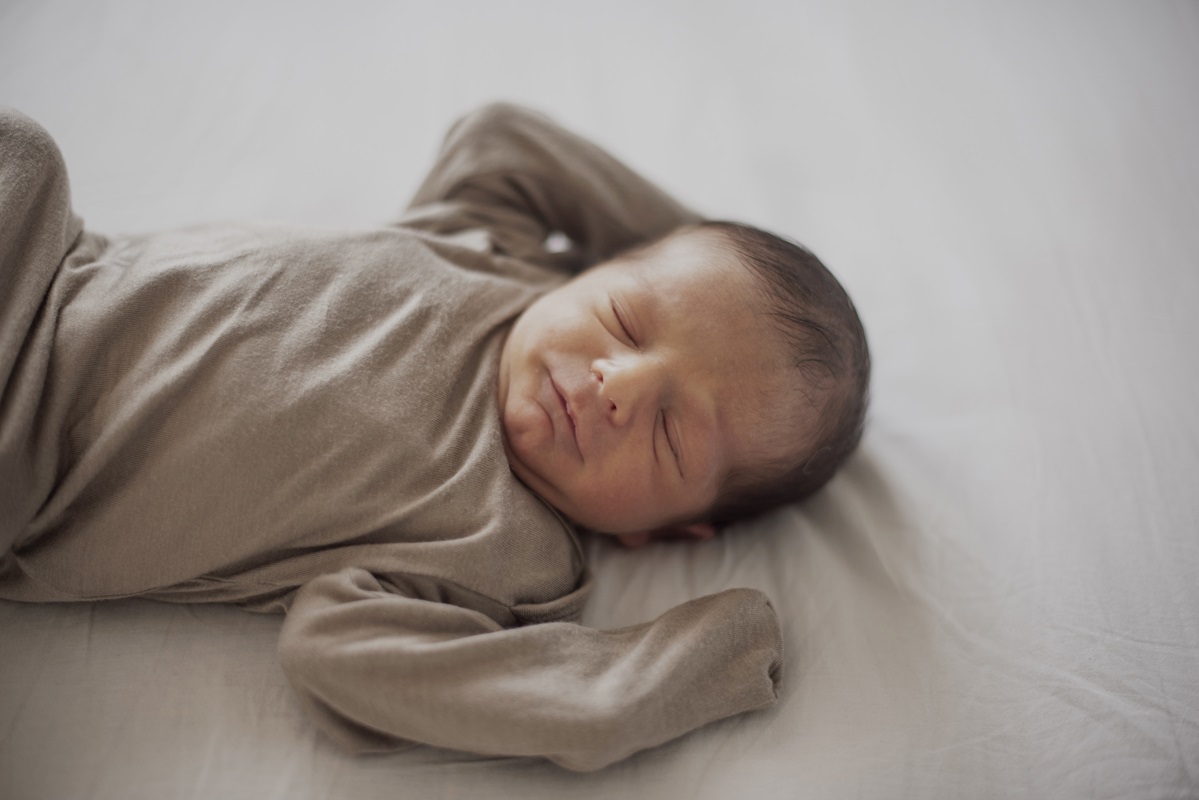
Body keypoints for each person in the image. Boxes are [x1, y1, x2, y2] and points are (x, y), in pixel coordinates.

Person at [0, 102, 868, 770]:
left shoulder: (507, 554)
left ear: (665, 529)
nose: (619, 385)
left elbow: (337, 650)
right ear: (595, 264)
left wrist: (639, 680)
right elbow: (503, 136)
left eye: (673, 434)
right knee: (23, 147)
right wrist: (706, 253)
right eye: (625, 317)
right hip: (48, 262)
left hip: (28, 456)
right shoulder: (484, 244)